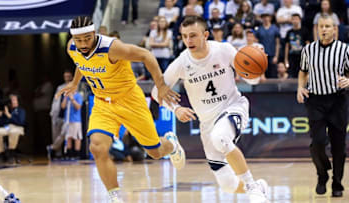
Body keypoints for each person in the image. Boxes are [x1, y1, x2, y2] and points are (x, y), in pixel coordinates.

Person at [56, 16, 185, 203]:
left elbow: (146, 55)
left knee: (155, 152)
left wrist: (161, 85)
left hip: (129, 100)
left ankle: (171, 143)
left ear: (94, 33)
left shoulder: (112, 48)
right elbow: (81, 63)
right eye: (79, 40)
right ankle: (114, 195)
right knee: (97, 147)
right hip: (102, 103)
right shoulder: (72, 47)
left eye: (87, 39)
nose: (83, 44)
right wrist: (75, 83)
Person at [152, 15, 269, 203]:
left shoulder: (224, 50)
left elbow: (252, 80)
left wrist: (258, 66)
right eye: (184, 36)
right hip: (207, 123)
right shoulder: (182, 63)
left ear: (205, 35)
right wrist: (176, 109)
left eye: (193, 35)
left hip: (233, 107)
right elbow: (156, 91)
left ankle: (252, 186)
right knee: (227, 185)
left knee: (220, 137)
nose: (188, 41)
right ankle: (260, 187)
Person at [297, 14, 349, 198]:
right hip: (315, 100)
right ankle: (322, 174)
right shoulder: (308, 50)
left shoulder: (344, 50)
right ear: (317, 29)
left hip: (337, 101)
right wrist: (299, 88)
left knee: (338, 147)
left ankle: (337, 183)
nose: (324, 29)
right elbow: (303, 72)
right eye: (321, 26)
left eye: (328, 26)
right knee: (317, 144)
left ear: (335, 29)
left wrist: (348, 80)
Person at [0, 94, 26, 165]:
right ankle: (1, 154)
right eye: (12, 100)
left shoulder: (21, 110)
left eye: (15, 100)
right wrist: (1, 116)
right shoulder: (7, 110)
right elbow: (1, 123)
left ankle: (11, 153)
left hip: (18, 128)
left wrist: (9, 116)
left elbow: (20, 122)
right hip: (7, 127)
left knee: (13, 132)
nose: (13, 102)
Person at [47, 70, 73, 160]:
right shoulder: (60, 87)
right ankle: (57, 153)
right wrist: (53, 112)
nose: (67, 78)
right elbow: (56, 101)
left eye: (68, 76)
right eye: (65, 76)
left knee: (65, 133)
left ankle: (52, 148)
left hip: (70, 115)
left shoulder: (75, 86)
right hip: (58, 114)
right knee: (56, 134)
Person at [284, 13, 310, 78]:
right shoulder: (289, 32)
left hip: (302, 57)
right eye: (293, 19)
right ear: (291, 21)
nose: (295, 21)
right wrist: (286, 59)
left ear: (300, 20)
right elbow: (287, 46)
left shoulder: (305, 30)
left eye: (296, 19)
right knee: (292, 74)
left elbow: (308, 44)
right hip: (292, 57)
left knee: (303, 74)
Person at [60, 90, 83, 160]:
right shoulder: (66, 95)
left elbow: (78, 107)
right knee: (68, 137)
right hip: (67, 120)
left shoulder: (78, 95)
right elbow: (63, 106)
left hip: (76, 120)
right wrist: (65, 97)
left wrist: (72, 99)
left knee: (77, 137)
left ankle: (77, 154)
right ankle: (69, 154)